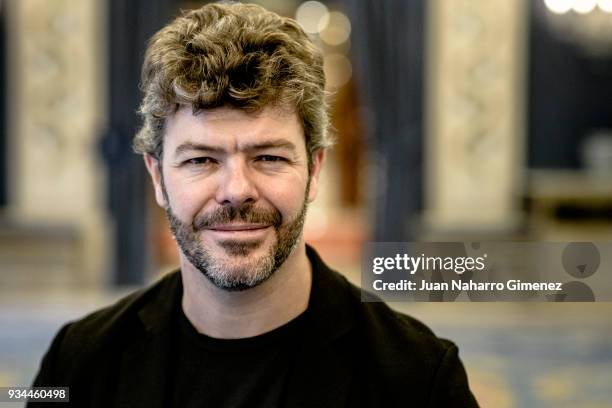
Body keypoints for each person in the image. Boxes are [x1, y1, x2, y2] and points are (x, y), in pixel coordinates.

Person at [29, 2, 479, 407]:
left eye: (268, 157)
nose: (236, 189)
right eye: (201, 159)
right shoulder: (77, 364)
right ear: (157, 177)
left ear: (315, 169)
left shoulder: (419, 379)